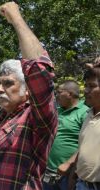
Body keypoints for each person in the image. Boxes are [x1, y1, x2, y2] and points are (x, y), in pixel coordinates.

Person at [0, 2, 58, 189]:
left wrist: (16, 18)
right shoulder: (2, 120)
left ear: (28, 90)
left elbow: (38, 70)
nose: (0, 89)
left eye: (9, 83)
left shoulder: (35, 119)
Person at [42, 80, 88, 190]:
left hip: (68, 174)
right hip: (49, 171)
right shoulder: (58, 110)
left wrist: (68, 163)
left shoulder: (85, 112)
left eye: (59, 92)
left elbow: (87, 143)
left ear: (70, 94)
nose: (56, 95)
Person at [71, 58, 100, 190]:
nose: (86, 90)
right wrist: (73, 176)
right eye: (86, 85)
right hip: (82, 184)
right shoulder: (89, 114)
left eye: (92, 86)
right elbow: (83, 149)